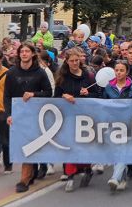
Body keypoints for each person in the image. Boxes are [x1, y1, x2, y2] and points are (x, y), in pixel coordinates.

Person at [4, 43, 53, 193]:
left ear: (33, 54)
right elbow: (6, 96)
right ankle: (31, 172)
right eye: (22, 51)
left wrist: (34, 94)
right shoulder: (12, 73)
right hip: (18, 115)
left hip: (36, 115)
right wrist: (9, 114)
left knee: (31, 145)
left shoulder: (40, 72)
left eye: (27, 51)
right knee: (23, 145)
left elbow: (48, 92)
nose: (24, 54)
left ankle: (24, 179)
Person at [54, 48, 96, 192]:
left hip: (86, 118)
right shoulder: (62, 78)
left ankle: (87, 169)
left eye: (77, 60)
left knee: (84, 146)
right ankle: (70, 175)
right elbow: (55, 98)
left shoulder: (88, 76)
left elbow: (99, 95)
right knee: (70, 146)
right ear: (66, 61)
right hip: (68, 117)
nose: (74, 63)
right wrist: (64, 97)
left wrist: (88, 93)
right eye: (71, 61)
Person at [103, 60, 132, 191]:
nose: (118, 73)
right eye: (117, 70)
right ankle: (122, 178)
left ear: (127, 72)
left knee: (123, 150)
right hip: (113, 123)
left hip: (128, 124)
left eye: (121, 70)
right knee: (116, 151)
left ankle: (115, 177)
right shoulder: (108, 87)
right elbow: (103, 104)